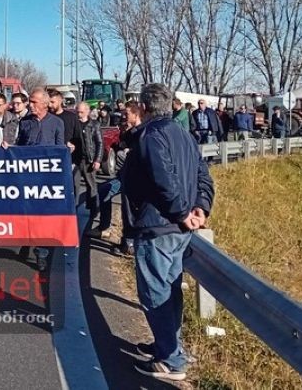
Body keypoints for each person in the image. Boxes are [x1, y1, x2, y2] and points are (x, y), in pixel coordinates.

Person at [123, 83, 214, 381]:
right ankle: (169, 346)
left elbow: (164, 180)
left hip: (160, 224)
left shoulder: (152, 135)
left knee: (155, 292)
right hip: (178, 227)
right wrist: (201, 206)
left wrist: (182, 211)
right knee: (170, 290)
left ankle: (172, 360)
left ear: (145, 108)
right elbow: (203, 174)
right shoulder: (183, 134)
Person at [16, 89, 65, 267]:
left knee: (43, 215)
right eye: (30, 101)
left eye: (34, 102)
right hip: (28, 177)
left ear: (44, 104)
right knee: (28, 213)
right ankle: (27, 241)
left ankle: (41, 252)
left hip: (47, 178)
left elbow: (60, 150)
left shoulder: (57, 123)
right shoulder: (25, 122)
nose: (30, 105)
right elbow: (19, 147)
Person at [90, 100, 141, 255]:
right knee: (103, 190)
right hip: (123, 175)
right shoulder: (126, 130)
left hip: (135, 177)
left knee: (128, 208)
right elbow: (118, 146)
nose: (124, 116)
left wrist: (128, 150)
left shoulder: (141, 132)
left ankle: (128, 243)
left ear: (136, 114)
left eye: (127, 114)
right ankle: (104, 227)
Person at [71, 101, 102, 221]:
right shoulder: (75, 124)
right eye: (77, 112)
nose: (79, 114)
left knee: (91, 186)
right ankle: (74, 210)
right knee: (74, 185)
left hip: (89, 160)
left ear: (88, 111)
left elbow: (99, 143)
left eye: (81, 112)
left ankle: (93, 211)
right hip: (76, 159)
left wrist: (97, 159)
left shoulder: (94, 125)